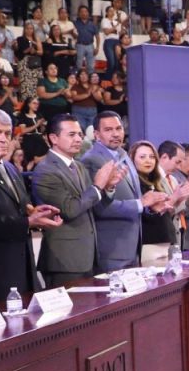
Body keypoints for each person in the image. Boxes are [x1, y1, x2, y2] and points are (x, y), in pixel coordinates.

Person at [0, 108, 62, 304]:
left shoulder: (10, 168)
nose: (3, 139)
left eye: (7, 133)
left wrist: (34, 213)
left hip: (22, 266)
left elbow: (19, 209)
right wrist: (28, 222)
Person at [31, 114, 122, 286]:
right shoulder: (45, 170)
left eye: (80, 134)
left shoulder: (78, 166)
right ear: (53, 138)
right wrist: (98, 186)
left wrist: (108, 188)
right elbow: (69, 209)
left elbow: (92, 205)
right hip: (65, 261)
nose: (79, 139)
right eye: (72, 134)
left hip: (89, 256)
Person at [83, 111, 169, 273]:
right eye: (108, 130)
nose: (115, 134)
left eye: (119, 128)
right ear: (96, 134)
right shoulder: (91, 159)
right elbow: (99, 207)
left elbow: (136, 199)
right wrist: (140, 204)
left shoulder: (123, 155)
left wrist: (149, 207)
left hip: (133, 247)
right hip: (112, 250)